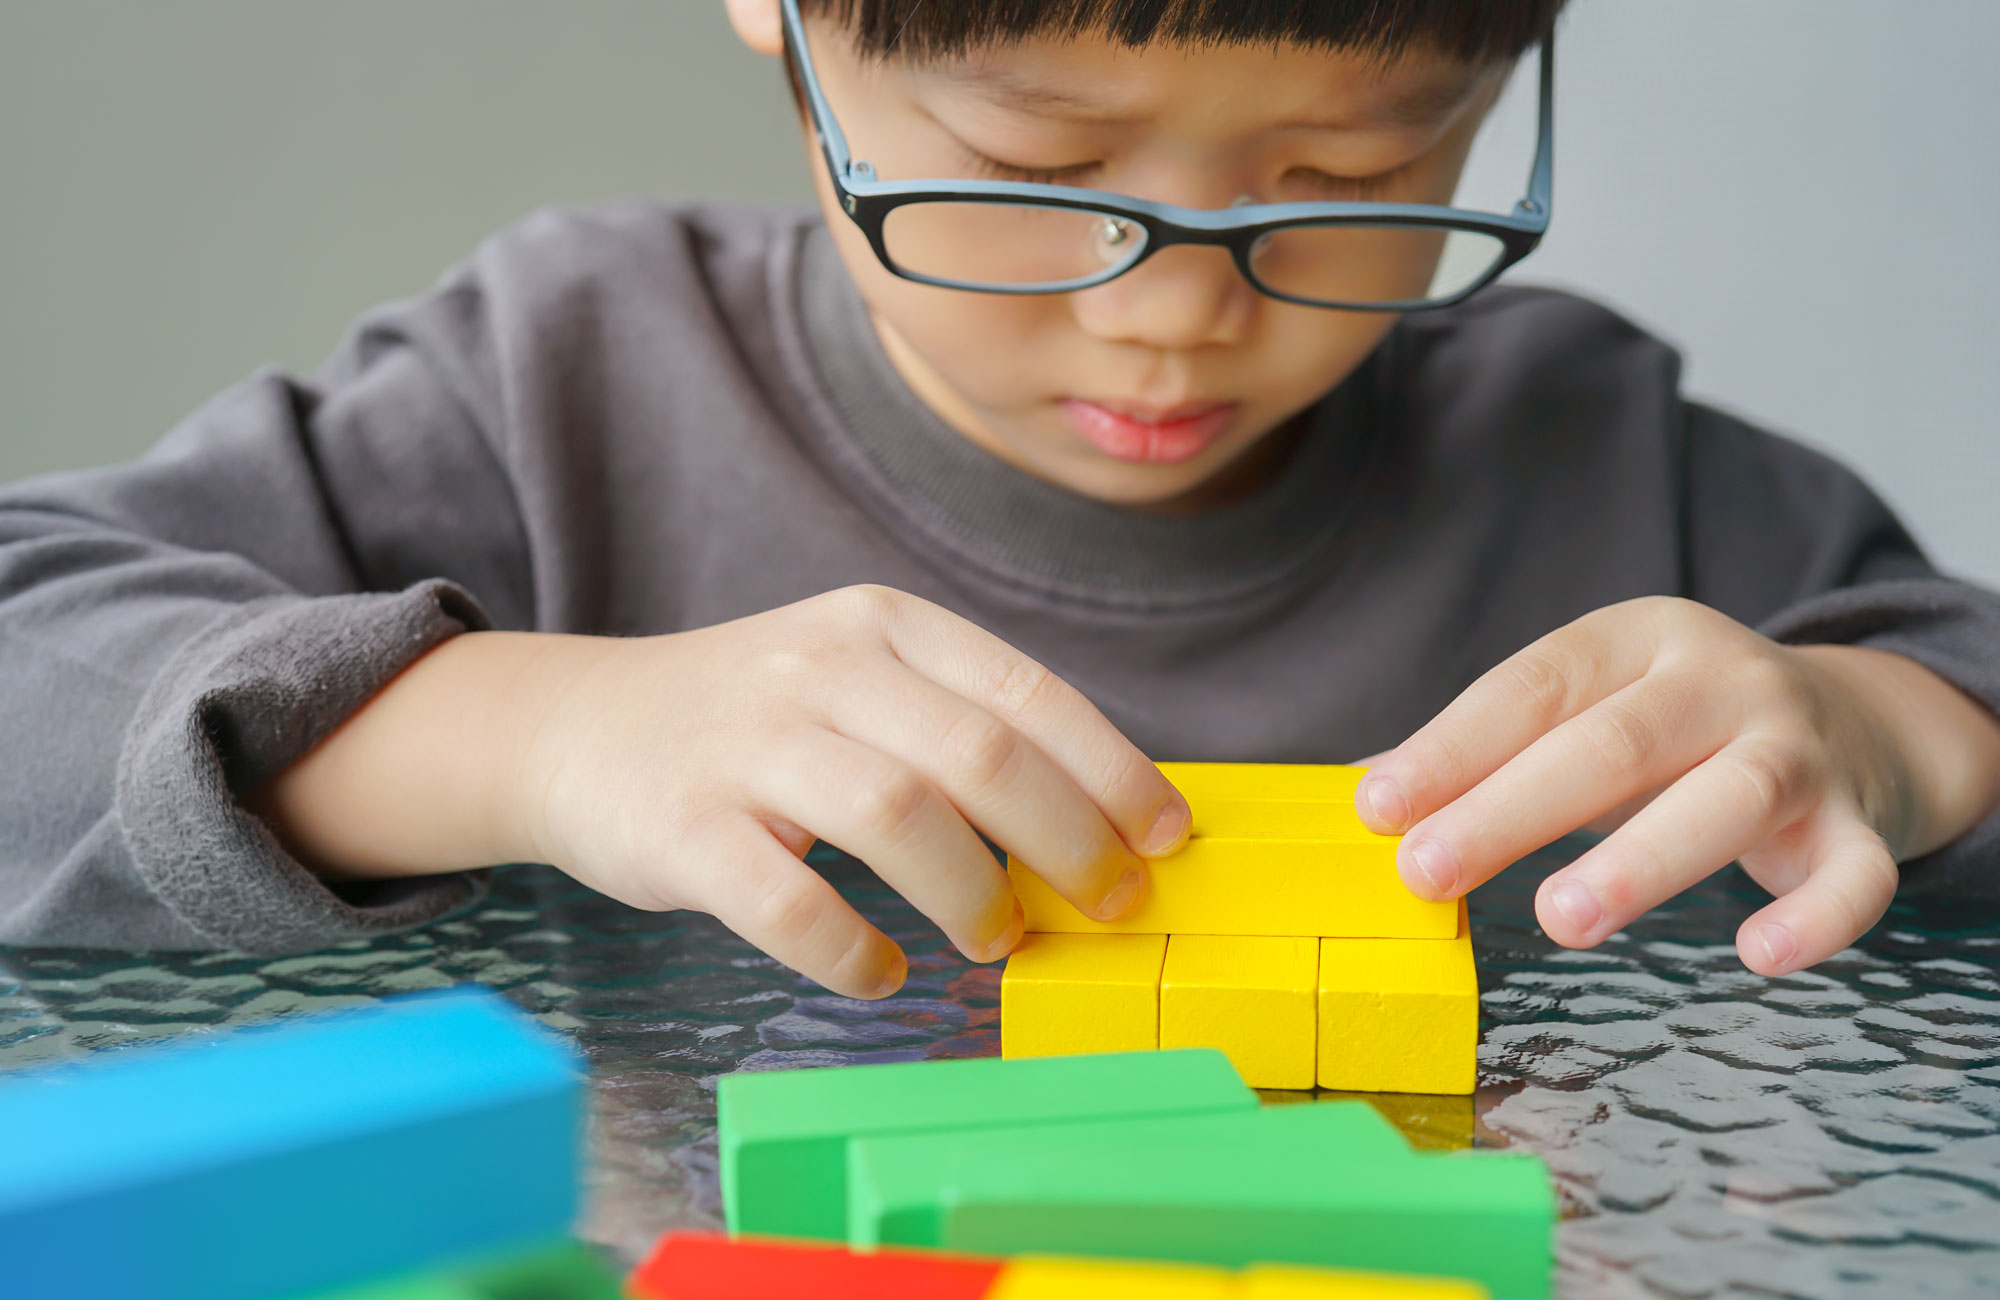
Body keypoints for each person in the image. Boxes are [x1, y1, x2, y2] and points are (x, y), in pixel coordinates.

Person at [3, 0, 1996, 999]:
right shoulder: (558, 382)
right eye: (1038, 171)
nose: (1178, 317)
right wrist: (517, 728)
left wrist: (1893, 737)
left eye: (1339, 176)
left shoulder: (1596, 450)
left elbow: (1947, 679)